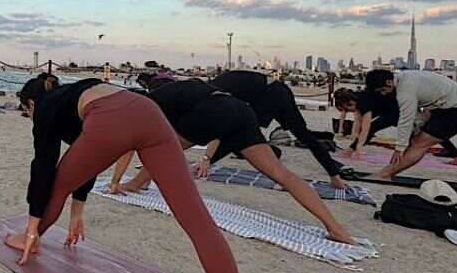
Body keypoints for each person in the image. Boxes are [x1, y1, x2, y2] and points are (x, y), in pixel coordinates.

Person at [4, 77, 267, 273]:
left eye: (26, 111)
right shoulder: (79, 90)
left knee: (55, 188)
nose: (29, 116)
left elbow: (44, 165)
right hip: (150, 114)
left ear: (31, 103)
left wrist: (32, 227)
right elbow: (88, 155)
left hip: (111, 118)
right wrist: (77, 213)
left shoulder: (45, 105)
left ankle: (28, 240)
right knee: (197, 219)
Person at [110, 79, 356, 244]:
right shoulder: (182, 91)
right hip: (241, 111)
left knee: (160, 150)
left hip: (215, 112)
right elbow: (216, 129)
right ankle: (335, 228)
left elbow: (132, 144)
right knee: (281, 174)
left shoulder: (148, 103)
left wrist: (115, 181)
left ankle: (134, 185)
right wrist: (207, 156)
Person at [210, 70, 348, 186]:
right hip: (278, 91)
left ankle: (333, 173)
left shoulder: (214, 93)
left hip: (270, 96)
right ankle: (333, 173)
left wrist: (207, 160)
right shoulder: (217, 86)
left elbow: (223, 128)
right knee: (304, 135)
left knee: (239, 133)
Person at [333, 88, 457, 163]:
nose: (347, 112)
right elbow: (358, 124)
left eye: (346, 109)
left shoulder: (363, 102)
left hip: (398, 110)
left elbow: (367, 128)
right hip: (395, 110)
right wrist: (354, 140)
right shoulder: (359, 100)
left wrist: (357, 149)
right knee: (427, 133)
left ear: (349, 102)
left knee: (428, 133)